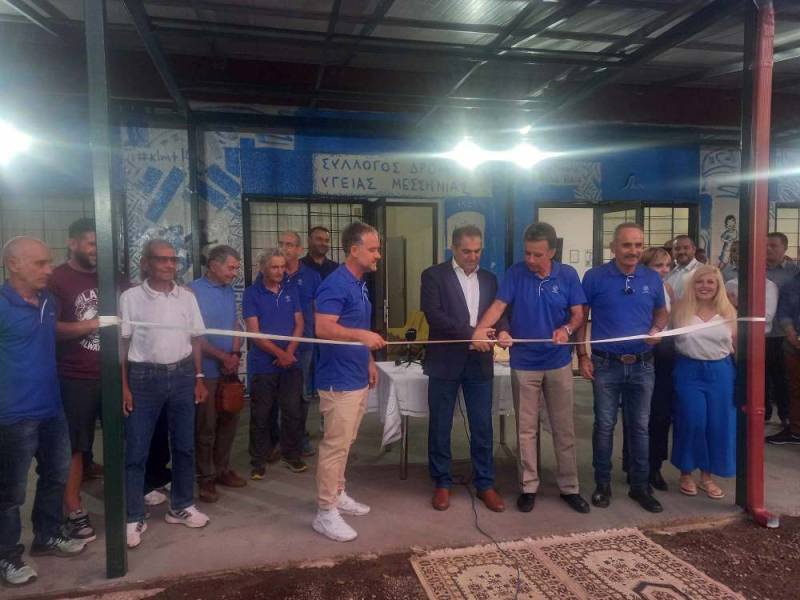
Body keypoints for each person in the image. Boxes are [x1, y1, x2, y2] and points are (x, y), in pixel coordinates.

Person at [472, 222, 589, 514]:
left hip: (558, 362)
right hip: (524, 363)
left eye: (537, 254)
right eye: (527, 253)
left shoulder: (568, 275)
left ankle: (570, 487)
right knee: (526, 430)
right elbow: (498, 307)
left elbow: (578, 314)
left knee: (563, 428)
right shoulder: (515, 273)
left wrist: (566, 329)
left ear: (552, 252)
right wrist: (482, 330)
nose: (530, 259)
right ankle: (528, 486)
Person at [0, 237, 86, 587]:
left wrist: (95, 324)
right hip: (12, 416)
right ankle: (7, 556)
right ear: (13, 264)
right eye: (40, 263)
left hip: (52, 407)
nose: (49, 270)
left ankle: (47, 535)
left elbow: (57, 333)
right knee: (11, 492)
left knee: (55, 475)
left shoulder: (49, 301)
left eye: (49, 262)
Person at [120, 239, 209, 549]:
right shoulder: (130, 298)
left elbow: (195, 339)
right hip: (143, 378)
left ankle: (181, 505)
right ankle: (133, 516)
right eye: (162, 259)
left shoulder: (187, 298)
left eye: (173, 259)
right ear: (145, 263)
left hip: (183, 376)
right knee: (137, 451)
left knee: (184, 446)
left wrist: (199, 377)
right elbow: (123, 344)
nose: (170, 265)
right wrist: (124, 385)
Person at [578, 223, 668, 513]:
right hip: (606, 365)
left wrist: (657, 329)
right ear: (613, 247)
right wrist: (582, 355)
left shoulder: (652, 278)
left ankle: (640, 486)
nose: (633, 251)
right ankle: (602, 484)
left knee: (640, 427)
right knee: (604, 426)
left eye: (638, 245)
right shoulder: (594, 277)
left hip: (643, 365)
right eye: (627, 245)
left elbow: (662, 312)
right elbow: (581, 318)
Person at [420, 225, 506, 513]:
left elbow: (499, 314)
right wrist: (473, 334)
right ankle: (442, 482)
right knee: (440, 424)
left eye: (477, 250)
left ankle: (485, 483)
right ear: (453, 248)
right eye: (466, 251)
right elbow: (434, 316)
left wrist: (503, 331)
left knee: (482, 424)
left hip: (479, 362)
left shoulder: (490, 279)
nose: (473, 256)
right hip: (444, 360)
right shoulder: (434, 275)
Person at [312, 222, 385, 542]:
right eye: (372, 249)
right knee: (335, 446)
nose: (378, 255)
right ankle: (325, 512)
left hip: (356, 375)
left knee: (346, 442)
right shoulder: (335, 284)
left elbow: (357, 327)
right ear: (354, 250)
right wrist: (362, 336)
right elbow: (323, 328)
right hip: (337, 379)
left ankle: (338, 493)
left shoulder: (359, 282)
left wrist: (368, 360)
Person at [48, 219, 101, 543]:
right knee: (75, 446)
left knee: (125, 437)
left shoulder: (111, 275)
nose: (97, 250)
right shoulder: (57, 279)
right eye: (91, 243)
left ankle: (131, 496)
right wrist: (91, 324)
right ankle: (73, 507)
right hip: (75, 376)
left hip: (113, 374)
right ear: (72, 243)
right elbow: (49, 328)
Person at [671, 266, 737, 499]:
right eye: (700, 282)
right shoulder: (680, 309)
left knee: (717, 424)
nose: (705, 286)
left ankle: (707, 476)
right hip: (688, 371)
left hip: (721, 372)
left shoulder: (729, 311)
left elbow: (736, 345)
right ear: (692, 285)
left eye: (711, 282)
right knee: (693, 420)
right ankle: (686, 472)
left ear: (718, 286)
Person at [243, 249, 307, 479]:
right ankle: (259, 460)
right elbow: (254, 332)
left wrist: (288, 353)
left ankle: (292, 455)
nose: (280, 271)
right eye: (274, 267)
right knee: (261, 414)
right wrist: (279, 353)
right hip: (263, 365)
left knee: (293, 411)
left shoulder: (291, 289)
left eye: (282, 266)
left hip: (291, 363)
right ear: (263, 268)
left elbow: (299, 324)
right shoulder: (251, 294)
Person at [189, 245, 245, 503]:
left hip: (229, 367)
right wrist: (222, 357)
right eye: (231, 268)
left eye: (236, 268)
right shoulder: (192, 291)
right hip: (206, 371)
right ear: (213, 265)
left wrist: (234, 354)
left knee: (229, 420)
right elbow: (194, 335)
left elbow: (234, 324)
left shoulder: (228, 290)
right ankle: (206, 478)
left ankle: (222, 469)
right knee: (206, 426)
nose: (234, 273)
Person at [622, 246, 675, 492]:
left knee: (661, 414)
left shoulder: (669, 289)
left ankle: (655, 466)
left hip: (665, 355)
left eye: (667, 265)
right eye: (658, 265)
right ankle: (632, 465)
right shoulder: (636, 287)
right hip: (641, 353)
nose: (664, 270)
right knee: (636, 414)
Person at [279, 230, 322, 457]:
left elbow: (318, 311)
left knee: (301, 394)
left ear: (299, 249)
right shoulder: (270, 273)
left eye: (289, 244)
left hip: (304, 345)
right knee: (275, 394)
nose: (284, 248)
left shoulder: (312, 277)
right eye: (281, 243)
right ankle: (276, 440)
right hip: (275, 345)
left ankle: (299, 438)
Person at [765, 232, 799, 425]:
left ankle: (787, 417)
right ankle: (763, 414)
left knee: (784, 378)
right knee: (760, 377)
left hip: (786, 335)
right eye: (765, 245)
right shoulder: (753, 270)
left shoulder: (794, 272)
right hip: (759, 334)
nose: (768, 249)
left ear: (784, 248)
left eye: (773, 245)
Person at [766, 271, 800, 445]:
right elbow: (784, 312)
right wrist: (791, 334)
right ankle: (796, 430)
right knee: (794, 389)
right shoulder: (792, 283)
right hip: (794, 344)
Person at [665, 235, 700, 299]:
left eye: (686, 248)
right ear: (672, 251)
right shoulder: (670, 272)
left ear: (694, 249)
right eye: (677, 249)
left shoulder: (702, 271)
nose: (681, 252)